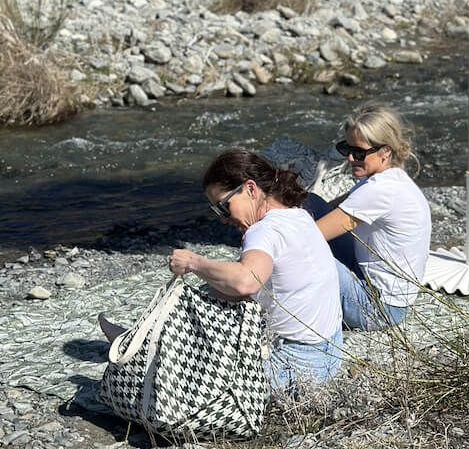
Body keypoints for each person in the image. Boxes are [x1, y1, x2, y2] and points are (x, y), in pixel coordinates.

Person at [102, 148, 343, 393]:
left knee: (178, 384)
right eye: (217, 211)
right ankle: (143, 340)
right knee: (213, 290)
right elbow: (237, 291)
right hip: (329, 356)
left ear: (250, 189)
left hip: (294, 366)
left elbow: (246, 282)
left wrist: (193, 262)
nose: (223, 219)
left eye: (224, 207)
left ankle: (139, 350)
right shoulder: (298, 215)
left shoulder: (263, 230)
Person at [315, 103, 432, 330]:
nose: (350, 158)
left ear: (385, 151)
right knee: (312, 203)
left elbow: (310, 236)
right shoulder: (386, 178)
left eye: (359, 152)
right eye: (346, 149)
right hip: (371, 282)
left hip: (378, 308)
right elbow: (329, 209)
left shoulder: (380, 190)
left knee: (308, 255)